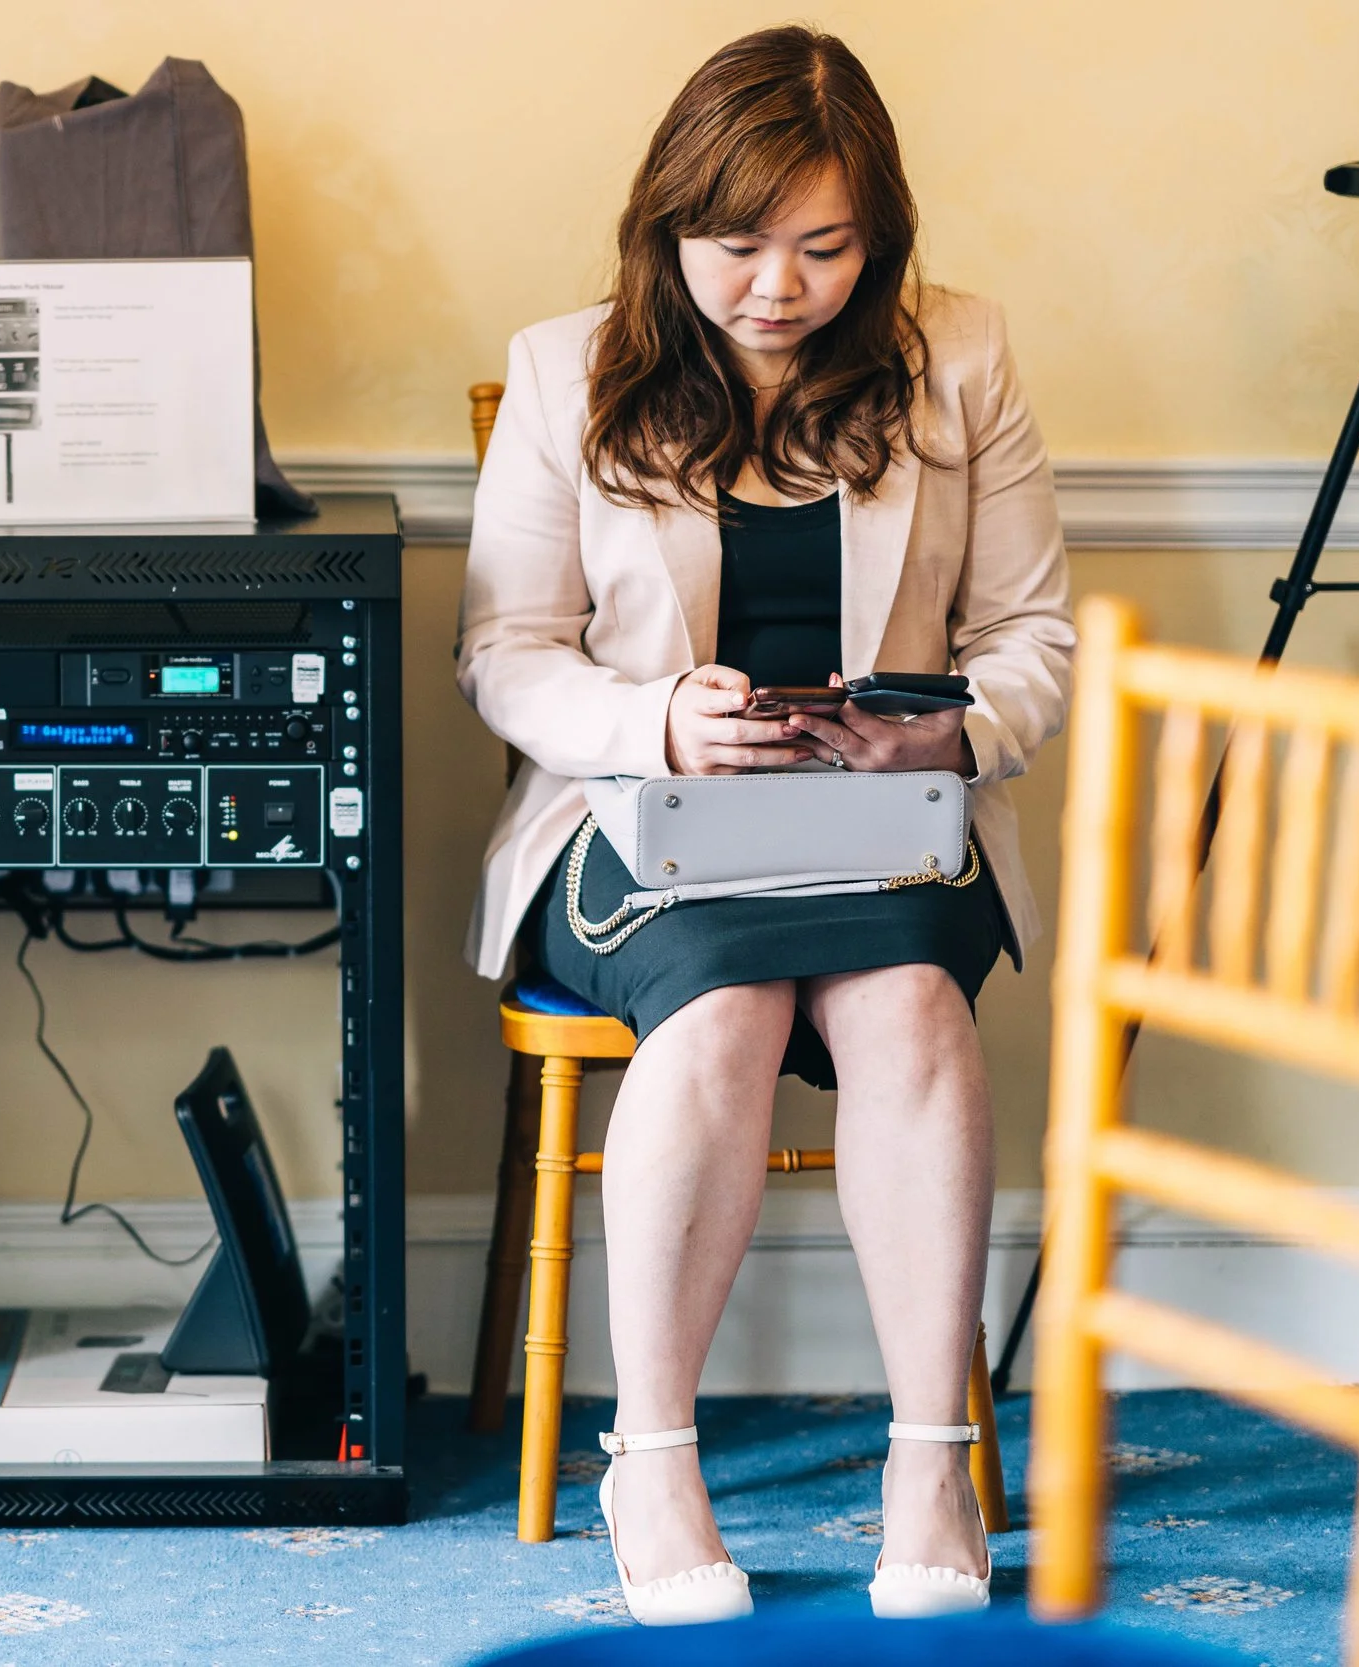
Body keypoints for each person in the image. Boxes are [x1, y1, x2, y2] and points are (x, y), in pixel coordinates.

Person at [455, 25, 1074, 1626]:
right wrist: (655, 721)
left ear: (880, 238)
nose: (777, 288)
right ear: (670, 224)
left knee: (912, 1003)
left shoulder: (965, 357)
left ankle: (930, 1453)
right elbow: (506, 653)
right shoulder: (563, 368)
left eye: (824, 247)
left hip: (888, 818)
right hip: (644, 822)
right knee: (724, 1007)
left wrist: (950, 725)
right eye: (737, 245)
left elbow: (1034, 641)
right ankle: (650, 1456)